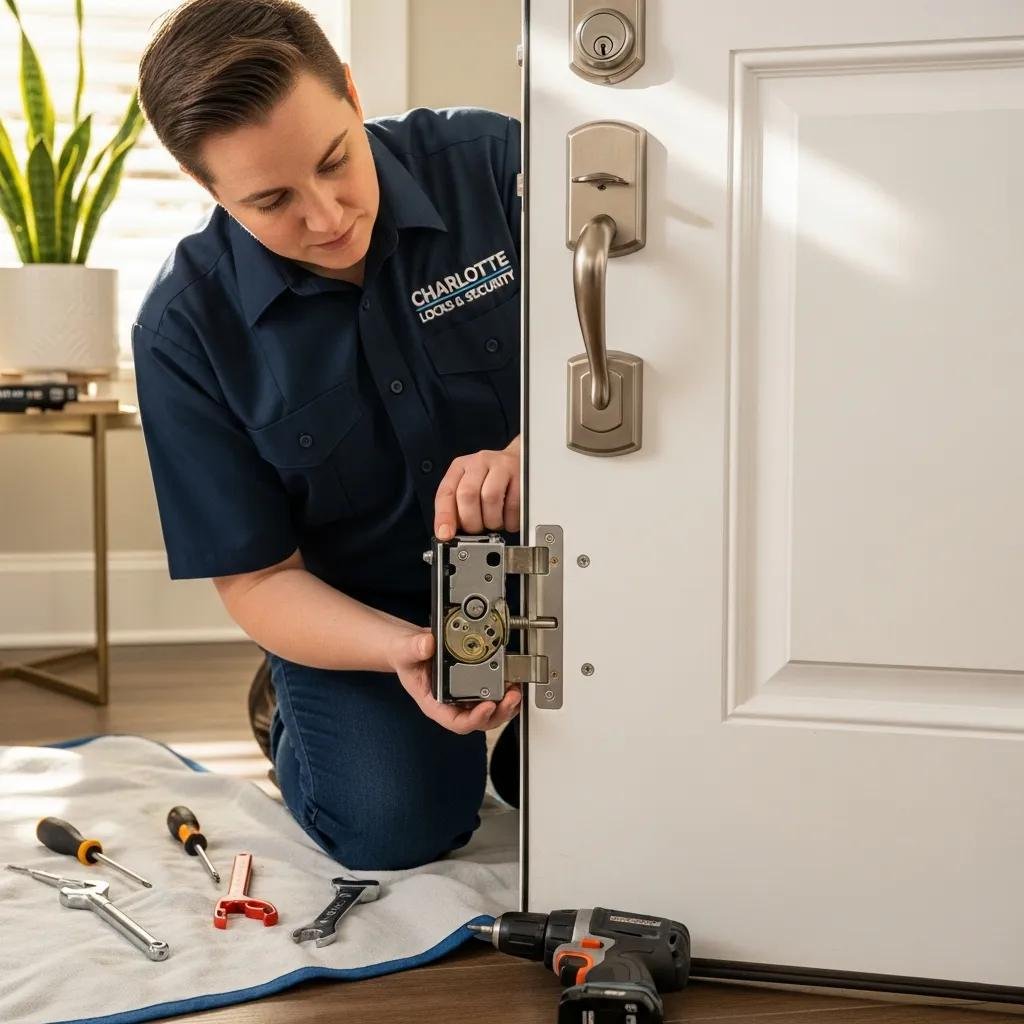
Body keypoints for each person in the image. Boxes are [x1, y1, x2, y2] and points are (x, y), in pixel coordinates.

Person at [133, 0, 523, 871]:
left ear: (351, 92)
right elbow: (258, 575)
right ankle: (291, 704)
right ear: (210, 191)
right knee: (394, 824)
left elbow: (639, 364)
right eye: (271, 200)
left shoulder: (497, 165)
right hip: (364, 616)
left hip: (567, 577)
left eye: (335, 160)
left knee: (584, 784)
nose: (326, 216)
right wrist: (402, 653)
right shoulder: (182, 329)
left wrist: (541, 455)